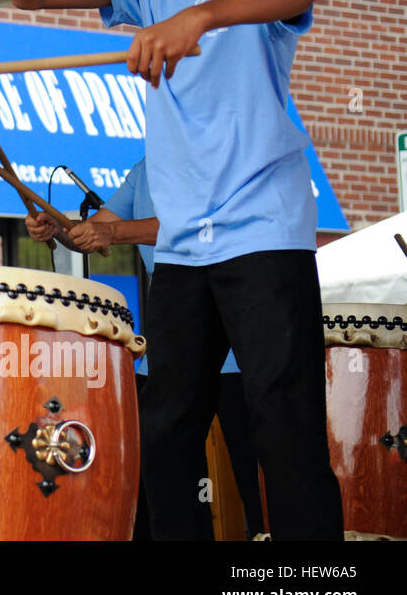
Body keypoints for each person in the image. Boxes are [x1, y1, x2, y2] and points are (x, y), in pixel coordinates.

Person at [0, 0, 341, 540]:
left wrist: (199, 16)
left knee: (284, 428)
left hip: (262, 232)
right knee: (166, 433)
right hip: (181, 244)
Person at [28, 157, 264, 538]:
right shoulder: (144, 171)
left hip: (233, 347)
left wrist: (115, 232)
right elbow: (94, 230)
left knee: (253, 472)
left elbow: (197, 226)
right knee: (161, 467)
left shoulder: (215, 159)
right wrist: (57, 229)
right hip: (169, 347)